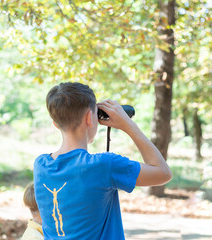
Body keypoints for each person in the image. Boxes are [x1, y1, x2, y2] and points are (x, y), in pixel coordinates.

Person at [33, 82, 172, 239]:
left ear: (55, 124)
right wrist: (127, 124)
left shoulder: (41, 165)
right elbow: (163, 173)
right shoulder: (103, 165)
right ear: (89, 118)